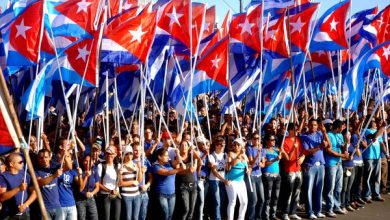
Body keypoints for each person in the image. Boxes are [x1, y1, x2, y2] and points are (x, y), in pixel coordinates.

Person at [300, 119, 329, 219]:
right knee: (309, 190)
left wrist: (325, 132)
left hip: (321, 165)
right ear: (308, 125)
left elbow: (328, 145)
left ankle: (318, 211)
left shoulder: (320, 134)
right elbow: (307, 151)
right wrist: (319, 146)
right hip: (310, 166)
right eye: (311, 125)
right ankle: (310, 212)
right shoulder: (304, 136)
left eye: (315, 125)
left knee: (319, 190)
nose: (313, 127)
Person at [0, 153, 37, 219]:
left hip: (25, 213)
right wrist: (18, 188)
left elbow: (35, 192)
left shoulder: (25, 174)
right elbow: (2, 197)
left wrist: (26, 205)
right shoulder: (3, 176)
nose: (22, 164)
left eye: (23, 161)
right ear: (11, 164)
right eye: (20, 162)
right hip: (9, 214)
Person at [153, 148, 185, 220]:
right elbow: (167, 173)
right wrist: (180, 169)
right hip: (162, 194)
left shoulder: (169, 162)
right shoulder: (155, 165)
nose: (168, 157)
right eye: (166, 156)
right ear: (159, 156)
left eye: (168, 156)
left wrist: (177, 153)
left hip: (172, 194)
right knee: (165, 215)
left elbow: (179, 161)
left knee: (170, 216)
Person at [324, 119, 348, 217]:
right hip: (331, 164)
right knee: (331, 187)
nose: (343, 129)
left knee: (339, 186)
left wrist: (346, 143)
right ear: (337, 127)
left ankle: (337, 206)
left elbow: (342, 147)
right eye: (341, 127)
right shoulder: (329, 135)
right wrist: (342, 155)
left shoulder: (340, 135)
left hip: (339, 164)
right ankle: (329, 209)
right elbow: (329, 150)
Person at [281, 123, 305, 220]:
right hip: (289, 170)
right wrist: (293, 149)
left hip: (298, 169)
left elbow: (303, 152)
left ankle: (293, 212)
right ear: (290, 130)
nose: (296, 131)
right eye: (294, 129)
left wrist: (303, 157)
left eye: (296, 129)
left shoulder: (298, 140)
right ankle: (285, 213)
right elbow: (288, 159)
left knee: (297, 192)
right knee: (289, 193)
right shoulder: (285, 141)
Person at [35, 149, 63, 219]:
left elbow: (69, 167)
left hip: (57, 206)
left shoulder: (54, 168)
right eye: (41, 158)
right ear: (38, 159)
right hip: (44, 208)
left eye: (46, 157)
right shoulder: (35, 171)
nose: (44, 160)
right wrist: (54, 176)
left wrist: (66, 153)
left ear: (50, 157)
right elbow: (40, 183)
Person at [262, 134, 285, 220]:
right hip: (268, 175)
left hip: (277, 175)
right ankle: (266, 216)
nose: (274, 141)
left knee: (275, 197)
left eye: (274, 140)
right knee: (268, 197)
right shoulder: (264, 151)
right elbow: (264, 164)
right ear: (267, 141)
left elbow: (284, 156)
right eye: (272, 140)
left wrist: (282, 152)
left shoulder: (276, 150)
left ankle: (273, 215)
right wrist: (275, 159)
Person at [225, 138, 248, 220]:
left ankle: (241, 218)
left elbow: (248, 166)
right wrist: (239, 155)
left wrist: (249, 170)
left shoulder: (244, 155)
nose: (236, 146)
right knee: (232, 201)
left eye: (238, 145)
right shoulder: (230, 154)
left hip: (241, 181)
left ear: (241, 146)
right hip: (231, 181)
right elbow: (232, 165)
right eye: (235, 144)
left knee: (244, 202)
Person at [176, 140, 199, 220]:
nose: (184, 147)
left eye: (186, 145)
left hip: (193, 186)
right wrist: (188, 170)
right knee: (186, 209)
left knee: (192, 210)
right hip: (183, 186)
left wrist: (193, 149)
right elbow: (178, 172)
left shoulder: (192, 156)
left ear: (188, 147)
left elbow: (199, 158)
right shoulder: (177, 157)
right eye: (182, 145)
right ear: (179, 147)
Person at [97, 146, 121, 220]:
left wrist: (121, 174)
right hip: (105, 195)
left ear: (115, 154)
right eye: (107, 153)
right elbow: (98, 183)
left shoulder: (118, 165)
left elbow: (120, 182)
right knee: (106, 217)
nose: (109, 155)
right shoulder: (101, 166)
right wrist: (109, 191)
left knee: (116, 217)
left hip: (116, 195)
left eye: (111, 154)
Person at [119, 145, 142, 220]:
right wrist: (132, 182)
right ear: (123, 155)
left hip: (137, 195)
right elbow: (120, 183)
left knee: (136, 218)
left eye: (130, 154)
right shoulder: (121, 167)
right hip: (126, 196)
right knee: (128, 217)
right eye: (127, 154)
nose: (129, 156)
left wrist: (140, 168)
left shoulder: (135, 165)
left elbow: (139, 180)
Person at [209, 137, 229, 220]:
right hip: (214, 180)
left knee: (222, 201)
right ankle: (217, 218)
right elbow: (214, 172)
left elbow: (227, 169)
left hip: (222, 181)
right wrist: (223, 180)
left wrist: (228, 162)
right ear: (216, 145)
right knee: (217, 202)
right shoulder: (211, 156)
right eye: (221, 145)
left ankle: (220, 216)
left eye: (224, 145)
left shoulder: (225, 155)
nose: (223, 147)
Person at [246, 132, 265, 220]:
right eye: (255, 138)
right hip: (252, 176)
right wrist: (257, 156)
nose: (256, 140)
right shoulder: (249, 149)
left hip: (259, 176)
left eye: (258, 138)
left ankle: (259, 216)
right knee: (254, 199)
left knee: (262, 199)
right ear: (252, 139)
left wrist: (262, 164)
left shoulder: (262, 150)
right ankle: (251, 217)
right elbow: (251, 163)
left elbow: (263, 163)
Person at [76, 155, 99, 220]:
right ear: (83, 162)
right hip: (80, 200)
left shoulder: (94, 171)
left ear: (92, 163)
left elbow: (97, 187)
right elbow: (81, 189)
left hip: (91, 199)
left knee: (94, 218)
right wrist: (86, 176)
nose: (87, 163)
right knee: (82, 218)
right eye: (86, 161)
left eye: (89, 161)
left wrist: (92, 193)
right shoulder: (79, 171)